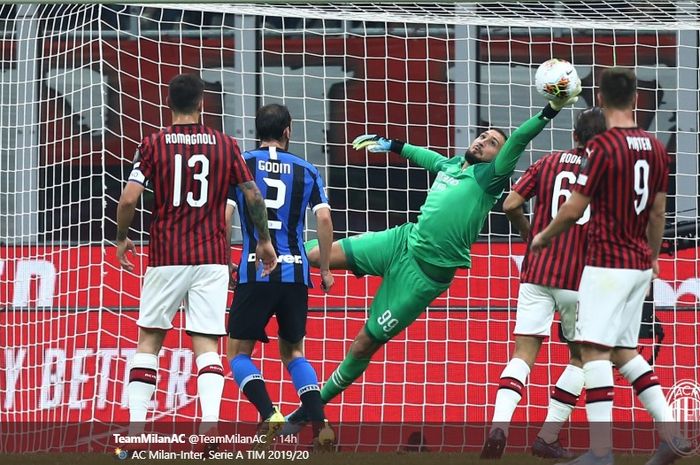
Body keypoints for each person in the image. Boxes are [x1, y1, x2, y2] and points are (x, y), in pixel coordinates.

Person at [283, 81, 582, 430]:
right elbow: (429, 158)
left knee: (364, 344)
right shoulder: (454, 165)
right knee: (316, 254)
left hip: (423, 279)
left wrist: (550, 110)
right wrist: (393, 144)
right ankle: (271, 257)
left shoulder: (491, 178)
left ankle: (309, 410)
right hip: (401, 242)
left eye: (491, 143)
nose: (483, 142)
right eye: (483, 137)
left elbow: (518, 140)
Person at [531, 68, 689, 465]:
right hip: (638, 265)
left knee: (593, 352)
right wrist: (652, 259)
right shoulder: (655, 147)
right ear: (636, 99)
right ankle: (671, 435)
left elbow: (574, 207)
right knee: (624, 351)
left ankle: (601, 452)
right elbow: (657, 213)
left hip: (606, 264)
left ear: (599, 98)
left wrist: (544, 236)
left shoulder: (603, 147)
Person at [115, 73, 277, 435]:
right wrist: (264, 240)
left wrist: (122, 237)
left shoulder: (153, 144)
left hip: (166, 254)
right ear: (203, 102)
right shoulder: (226, 144)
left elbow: (128, 198)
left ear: (168, 102)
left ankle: (137, 431)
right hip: (211, 256)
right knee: (207, 343)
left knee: (150, 340)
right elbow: (252, 195)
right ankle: (209, 426)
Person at [480, 108, 607, 460]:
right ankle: (547, 436)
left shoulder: (548, 162)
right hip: (578, 278)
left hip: (536, 272)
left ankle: (500, 426)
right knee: (582, 357)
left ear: (575, 136)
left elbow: (510, 203)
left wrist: (528, 232)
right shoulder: (606, 174)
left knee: (523, 353)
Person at [225, 104, 335, 450]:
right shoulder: (306, 169)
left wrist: (227, 259)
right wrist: (327, 267)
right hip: (295, 273)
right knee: (294, 352)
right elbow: (325, 220)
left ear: (257, 129)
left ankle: (269, 414)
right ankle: (322, 428)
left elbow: (224, 216)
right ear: (288, 130)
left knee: (238, 353)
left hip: (255, 270)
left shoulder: (242, 163)